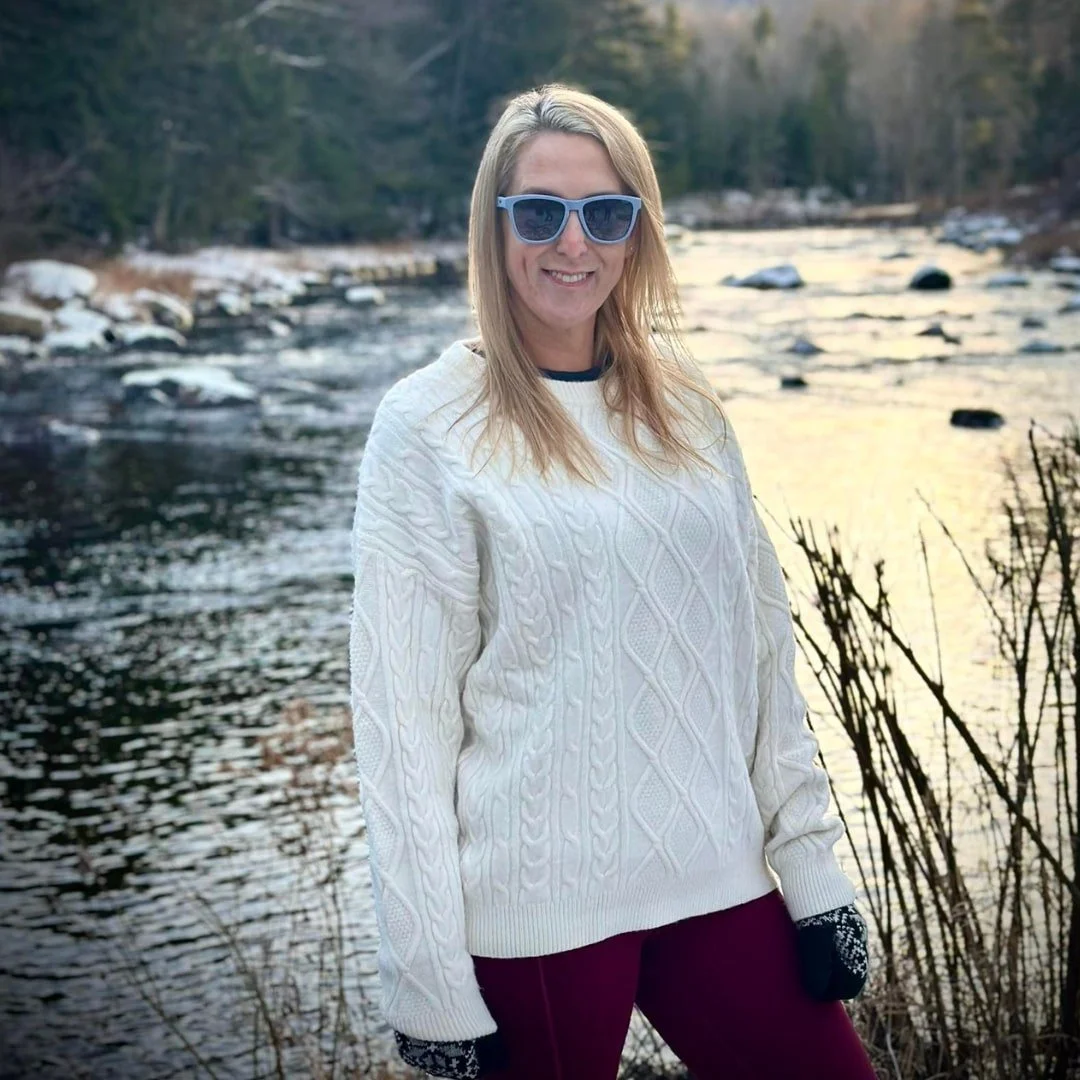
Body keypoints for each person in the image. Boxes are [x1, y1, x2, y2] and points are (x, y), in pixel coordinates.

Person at [348, 84, 875, 1080]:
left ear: (638, 229)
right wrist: (428, 980)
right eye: (539, 211)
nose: (572, 243)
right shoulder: (427, 428)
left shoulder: (686, 411)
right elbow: (403, 728)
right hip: (538, 911)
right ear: (495, 226)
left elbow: (761, 658)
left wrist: (813, 872)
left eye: (607, 212)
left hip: (717, 879)